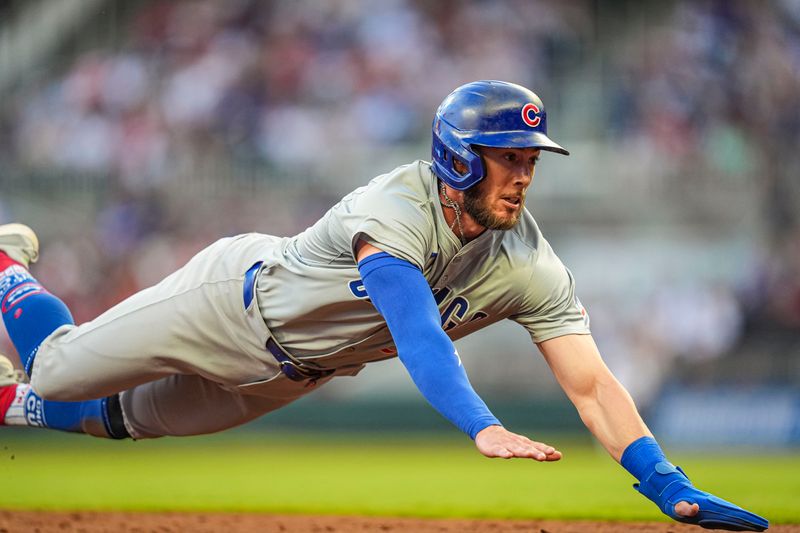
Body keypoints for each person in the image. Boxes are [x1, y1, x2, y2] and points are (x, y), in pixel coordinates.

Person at [0, 80, 767, 531]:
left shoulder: (529, 263)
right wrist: (484, 424)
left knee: (118, 419)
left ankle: (6, 400)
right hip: (228, 303)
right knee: (58, 367)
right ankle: (8, 264)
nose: (525, 174)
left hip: (291, 372)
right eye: (508, 156)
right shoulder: (396, 208)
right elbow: (418, 332)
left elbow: (593, 384)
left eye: (530, 159)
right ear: (458, 157)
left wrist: (670, 486)